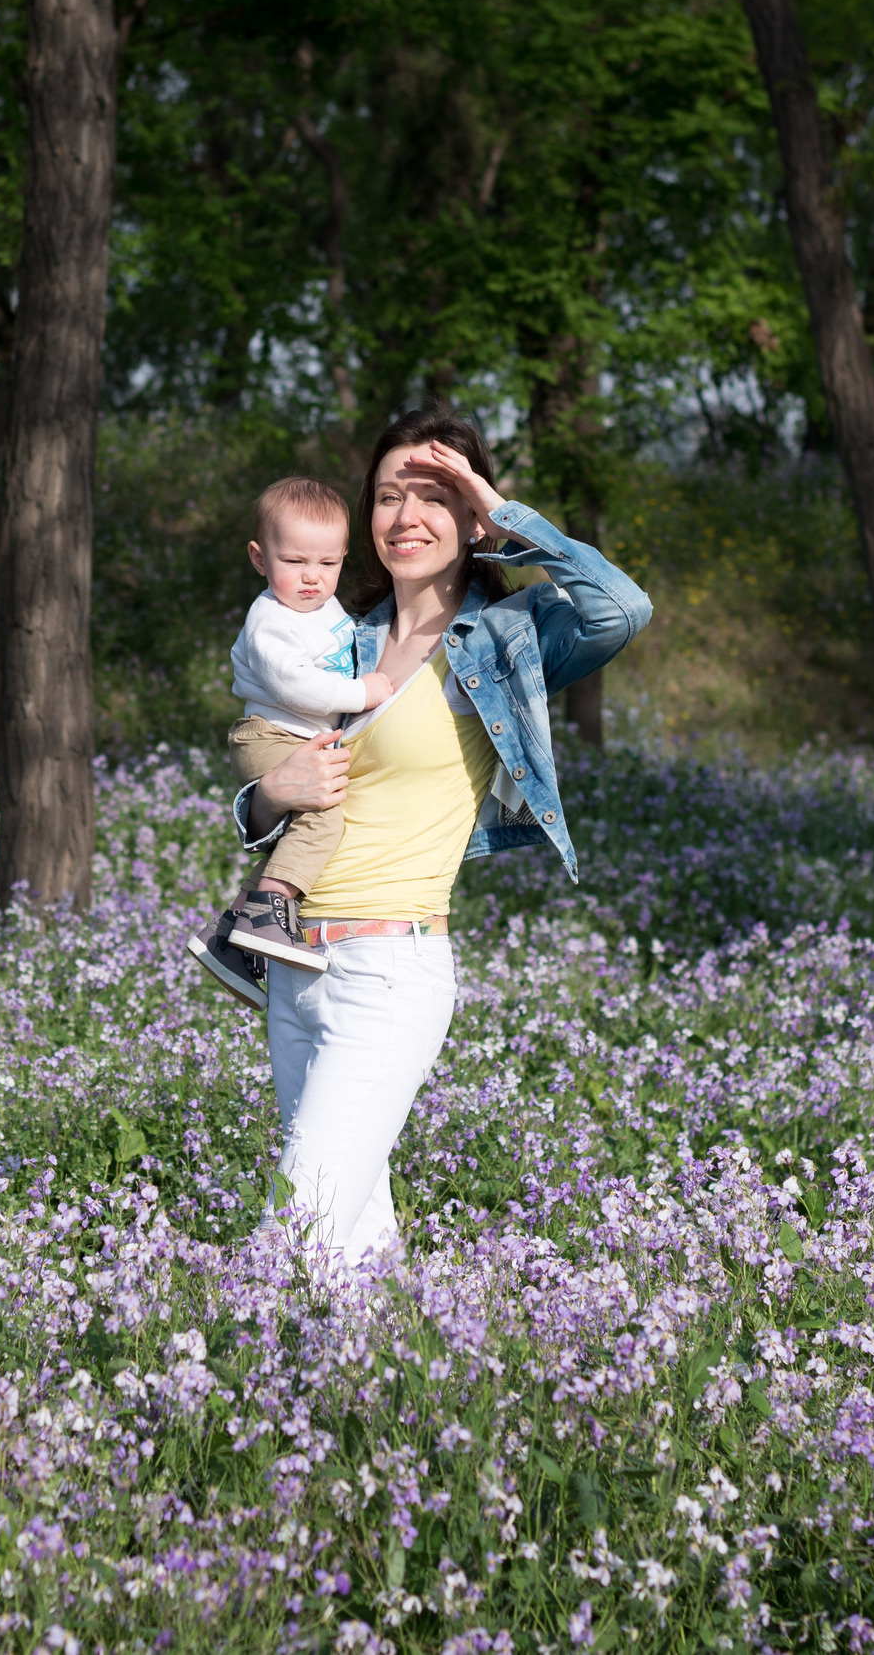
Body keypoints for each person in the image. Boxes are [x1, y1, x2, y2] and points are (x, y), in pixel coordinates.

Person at [236, 405, 650, 1265]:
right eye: (389, 496)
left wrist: (505, 513)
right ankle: (375, 1392)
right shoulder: (333, 644)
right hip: (296, 971)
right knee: (350, 1246)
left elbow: (621, 608)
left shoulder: (503, 640)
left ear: (469, 516)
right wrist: (268, 796)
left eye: (436, 495)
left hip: (389, 974)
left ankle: (231, 1378)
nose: (407, 515)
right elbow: (273, 791)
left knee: (292, 1229)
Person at [188, 477, 398, 1009]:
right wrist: (360, 691)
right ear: (260, 558)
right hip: (270, 735)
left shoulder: (323, 608)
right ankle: (268, 912)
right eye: (296, 562)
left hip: (298, 737)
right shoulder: (271, 619)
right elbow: (294, 686)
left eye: (327, 565)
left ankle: (231, 934)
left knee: (302, 832)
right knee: (323, 814)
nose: (312, 578)